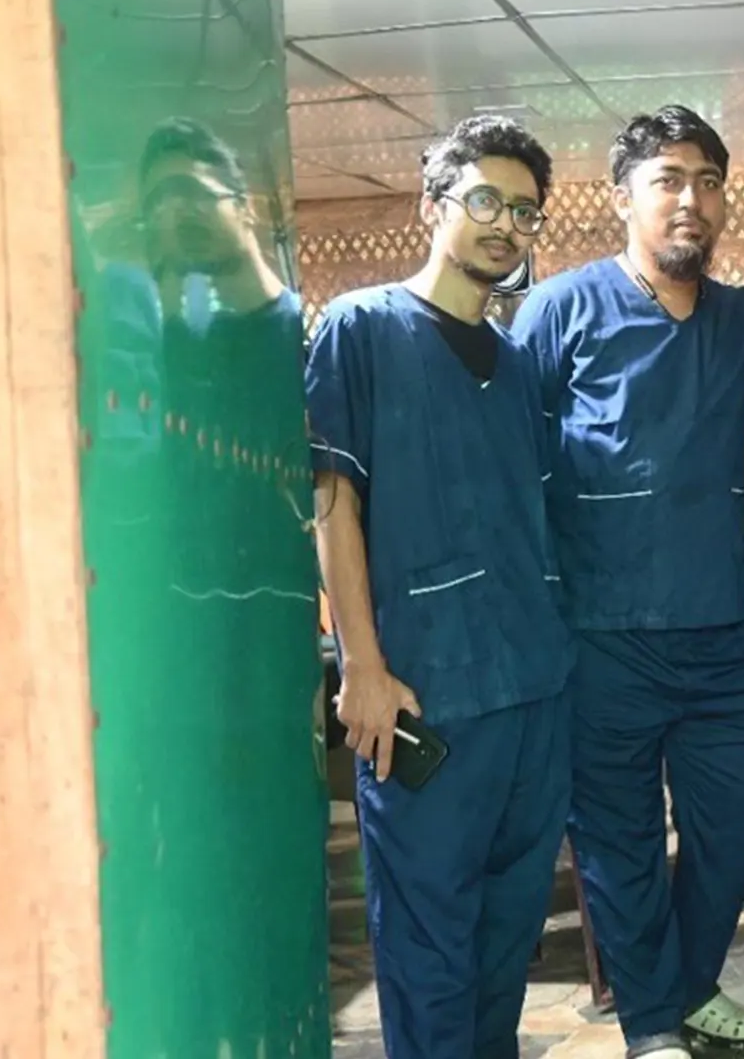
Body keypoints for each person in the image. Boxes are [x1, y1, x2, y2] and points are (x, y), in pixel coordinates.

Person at [508, 105, 744, 1059]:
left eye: (707, 181)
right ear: (624, 196)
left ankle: (688, 980)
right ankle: (654, 1026)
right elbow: (512, 464)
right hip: (599, 635)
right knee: (619, 847)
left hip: (720, 633)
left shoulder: (743, 318)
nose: (689, 199)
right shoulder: (560, 311)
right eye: (667, 179)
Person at [305, 116, 575, 1059]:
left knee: (507, 947)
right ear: (435, 205)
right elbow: (333, 505)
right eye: (487, 200)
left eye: (526, 212)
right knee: (428, 955)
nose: (507, 225)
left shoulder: (519, 364)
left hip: (534, 698)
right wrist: (361, 665)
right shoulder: (362, 329)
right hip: (428, 701)